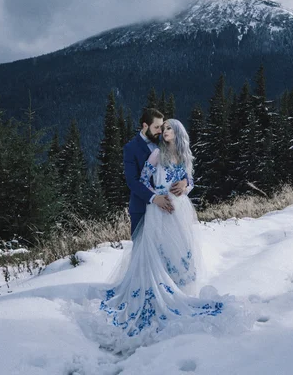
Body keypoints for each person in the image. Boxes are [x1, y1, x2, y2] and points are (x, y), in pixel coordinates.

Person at [93, 119, 248, 354]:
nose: (164, 132)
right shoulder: (156, 154)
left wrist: (185, 186)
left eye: (168, 129)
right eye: (162, 128)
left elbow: (192, 181)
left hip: (181, 210)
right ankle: (160, 289)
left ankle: (180, 289)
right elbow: (144, 180)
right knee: (160, 249)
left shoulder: (184, 156)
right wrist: (158, 196)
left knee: (182, 249)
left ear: (177, 133)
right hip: (160, 208)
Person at [123, 109, 188, 236]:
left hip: (169, 208)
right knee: (143, 250)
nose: (161, 131)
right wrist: (154, 198)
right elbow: (132, 181)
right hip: (142, 206)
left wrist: (185, 182)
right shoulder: (131, 148)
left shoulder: (164, 141)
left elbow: (179, 167)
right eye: (157, 127)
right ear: (145, 126)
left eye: (162, 127)